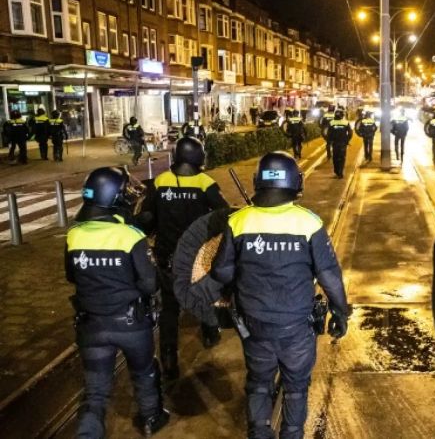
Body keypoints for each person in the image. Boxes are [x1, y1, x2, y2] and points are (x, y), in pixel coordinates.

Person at [211, 152, 350, 439]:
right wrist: (340, 311)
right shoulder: (308, 223)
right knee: (296, 388)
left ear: (257, 181)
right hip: (296, 329)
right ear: (295, 182)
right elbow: (329, 277)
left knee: (259, 383)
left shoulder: (239, 222)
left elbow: (221, 272)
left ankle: (259, 432)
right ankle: (291, 433)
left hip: (254, 327)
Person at [66, 167, 170, 437]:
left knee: (96, 390)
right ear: (113, 197)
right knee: (145, 372)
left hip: (91, 325)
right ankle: (151, 418)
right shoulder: (130, 236)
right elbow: (150, 283)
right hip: (131, 323)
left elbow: (71, 275)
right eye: (124, 192)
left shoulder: (74, 235)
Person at [137, 137, 229, 380]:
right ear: (198, 156)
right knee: (204, 295)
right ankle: (210, 332)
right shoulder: (205, 182)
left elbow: (147, 219)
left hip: (168, 257)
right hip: (197, 257)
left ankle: (168, 358)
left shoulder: (160, 182)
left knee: (169, 308)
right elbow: (223, 215)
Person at [328, 110, 352, 178]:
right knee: (342, 158)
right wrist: (347, 140)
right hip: (343, 143)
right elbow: (350, 133)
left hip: (335, 143)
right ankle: (340, 172)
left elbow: (329, 134)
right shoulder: (346, 122)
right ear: (342, 115)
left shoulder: (331, 122)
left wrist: (330, 141)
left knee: (335, 157)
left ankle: (336, 171)